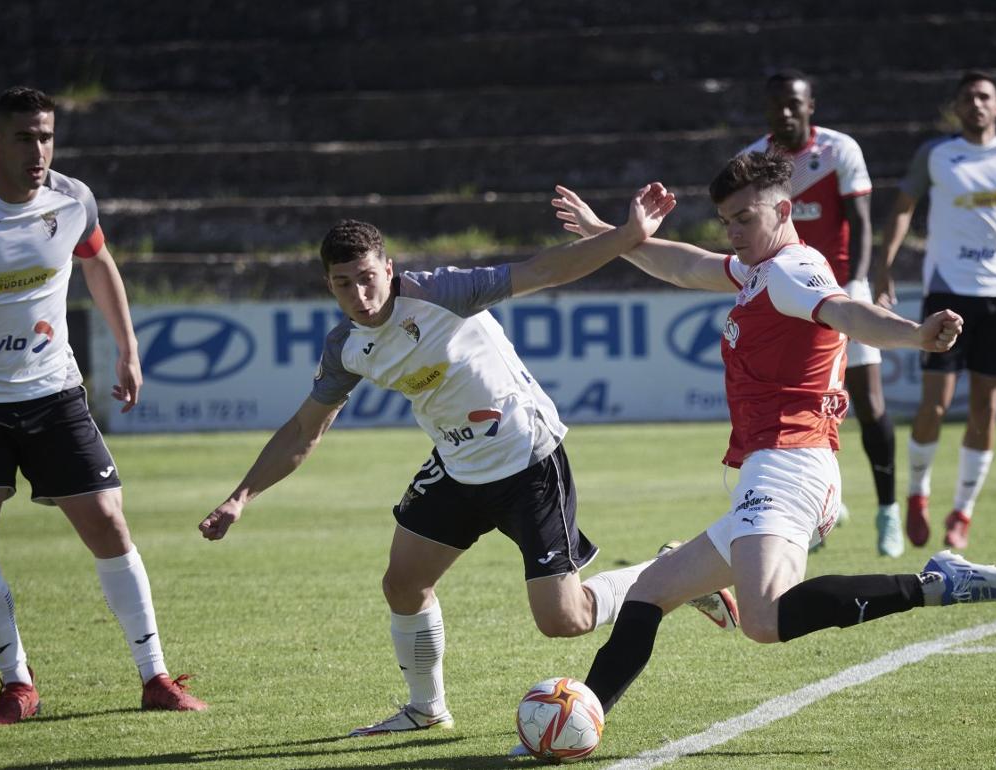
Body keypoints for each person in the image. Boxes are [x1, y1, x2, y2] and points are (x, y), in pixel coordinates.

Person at [196, 185, 739, 737]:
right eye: (343, 283)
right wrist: (240, 497)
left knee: (564, 620)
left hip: (527, 458)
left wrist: (626, 237)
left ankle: (673, 574)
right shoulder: (347, 346)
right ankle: (426, 708)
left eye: (367, 276)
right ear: (328, 284)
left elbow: (543, 270)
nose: (359, 293)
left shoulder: (441, 292)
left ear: (388, 267)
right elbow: (303, 431)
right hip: (457, 465)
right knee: (403, 584)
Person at [551, 151, 996, 728]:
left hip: (791, 464)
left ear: (783, 209)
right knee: (650, 592)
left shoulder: (790, 269)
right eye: (726, 221)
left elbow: (849, 314)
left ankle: (936, 583)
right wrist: (611, 234)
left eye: (744, 219)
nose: (733, 232)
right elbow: (683, 265)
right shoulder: (758, 267)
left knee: (764, 619)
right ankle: (583, 718)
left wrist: (917, 337)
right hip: (774, 466)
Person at [0, 86, 207, 724]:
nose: (39, 149)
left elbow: (98, 262)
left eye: (47, 135)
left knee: (110, 524)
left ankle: (155, 676)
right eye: (25, 136)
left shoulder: (72, 197)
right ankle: (16, 683)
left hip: (53, 391)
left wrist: (128, 349)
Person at [872, 72, 996, 550]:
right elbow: (904, 207)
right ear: (957, 106)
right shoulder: (936, 153)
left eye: (985, 96)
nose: (976, 103)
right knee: (934, 404)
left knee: (985, 408)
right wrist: (884, 266)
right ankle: (918, 493)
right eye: (969, 96)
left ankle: (963, 512)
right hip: (948, 293)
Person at [742, 69, 902, 558]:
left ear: (812, 104)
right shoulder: (754, 161)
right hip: (785, 295)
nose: (785, 113)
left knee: (869, 404)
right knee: (796, 407)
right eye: (777, 106)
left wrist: (866, 283)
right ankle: (821, 504)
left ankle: (888, 511)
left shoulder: (839, 151)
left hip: (840, 291)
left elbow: (861, 222)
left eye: (795, 104)